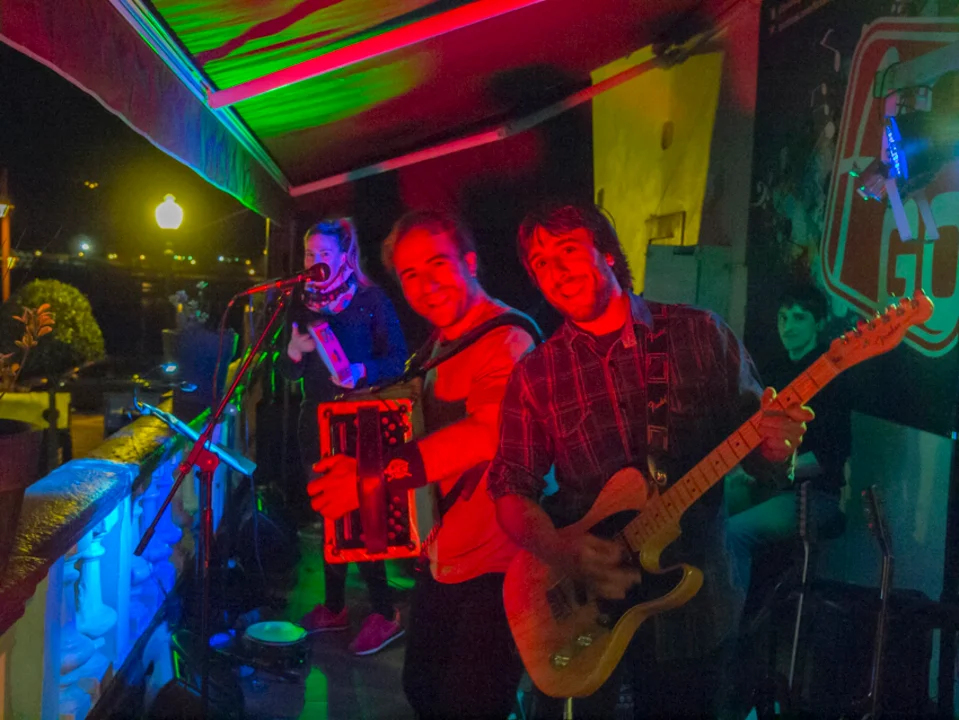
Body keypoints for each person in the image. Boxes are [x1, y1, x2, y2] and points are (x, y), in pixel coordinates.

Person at [486, 202, 813, 718]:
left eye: (567, 250)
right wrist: (560, 548)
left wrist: (776, 448)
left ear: (608, 254)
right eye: (541, 263)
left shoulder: (700, 334)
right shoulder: (536, 374)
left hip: (692, 609)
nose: (556, 271)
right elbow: (509, 489)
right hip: (587, 610)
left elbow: (760, 460)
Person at [308, 211, 537, 719]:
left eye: (438, 264)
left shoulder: (508, 340)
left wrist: (368, 480)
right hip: (444, 556)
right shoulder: (440, 344)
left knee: (466, 707)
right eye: (410, 274)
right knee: (421, 688)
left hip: (500, 568)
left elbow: (486, 433)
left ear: (469, 262)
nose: (425, 284)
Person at [276, 217, 408, 655]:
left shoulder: (370, 298)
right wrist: (293, 353)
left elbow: (398, 358)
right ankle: (335, 608)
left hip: (359, 422)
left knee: (363, 519)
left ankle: (385, 612)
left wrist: (361, 370)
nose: (315, 261)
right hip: (315, 422)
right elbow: (287, 370)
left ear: (345, 257)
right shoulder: (301, 302)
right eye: (309, 254)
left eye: (324, 254)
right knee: (329, 515)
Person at [725, 284, 850, 596]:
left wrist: (767, 473)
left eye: (799, 317)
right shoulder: (774, 370)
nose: (788, 326)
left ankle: (734, 620)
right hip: (766, 487)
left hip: (813, 496)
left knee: (733, 533)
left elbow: (831, 458)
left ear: (819, 323)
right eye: (783, 318)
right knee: (701, 514)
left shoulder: (832, 379)